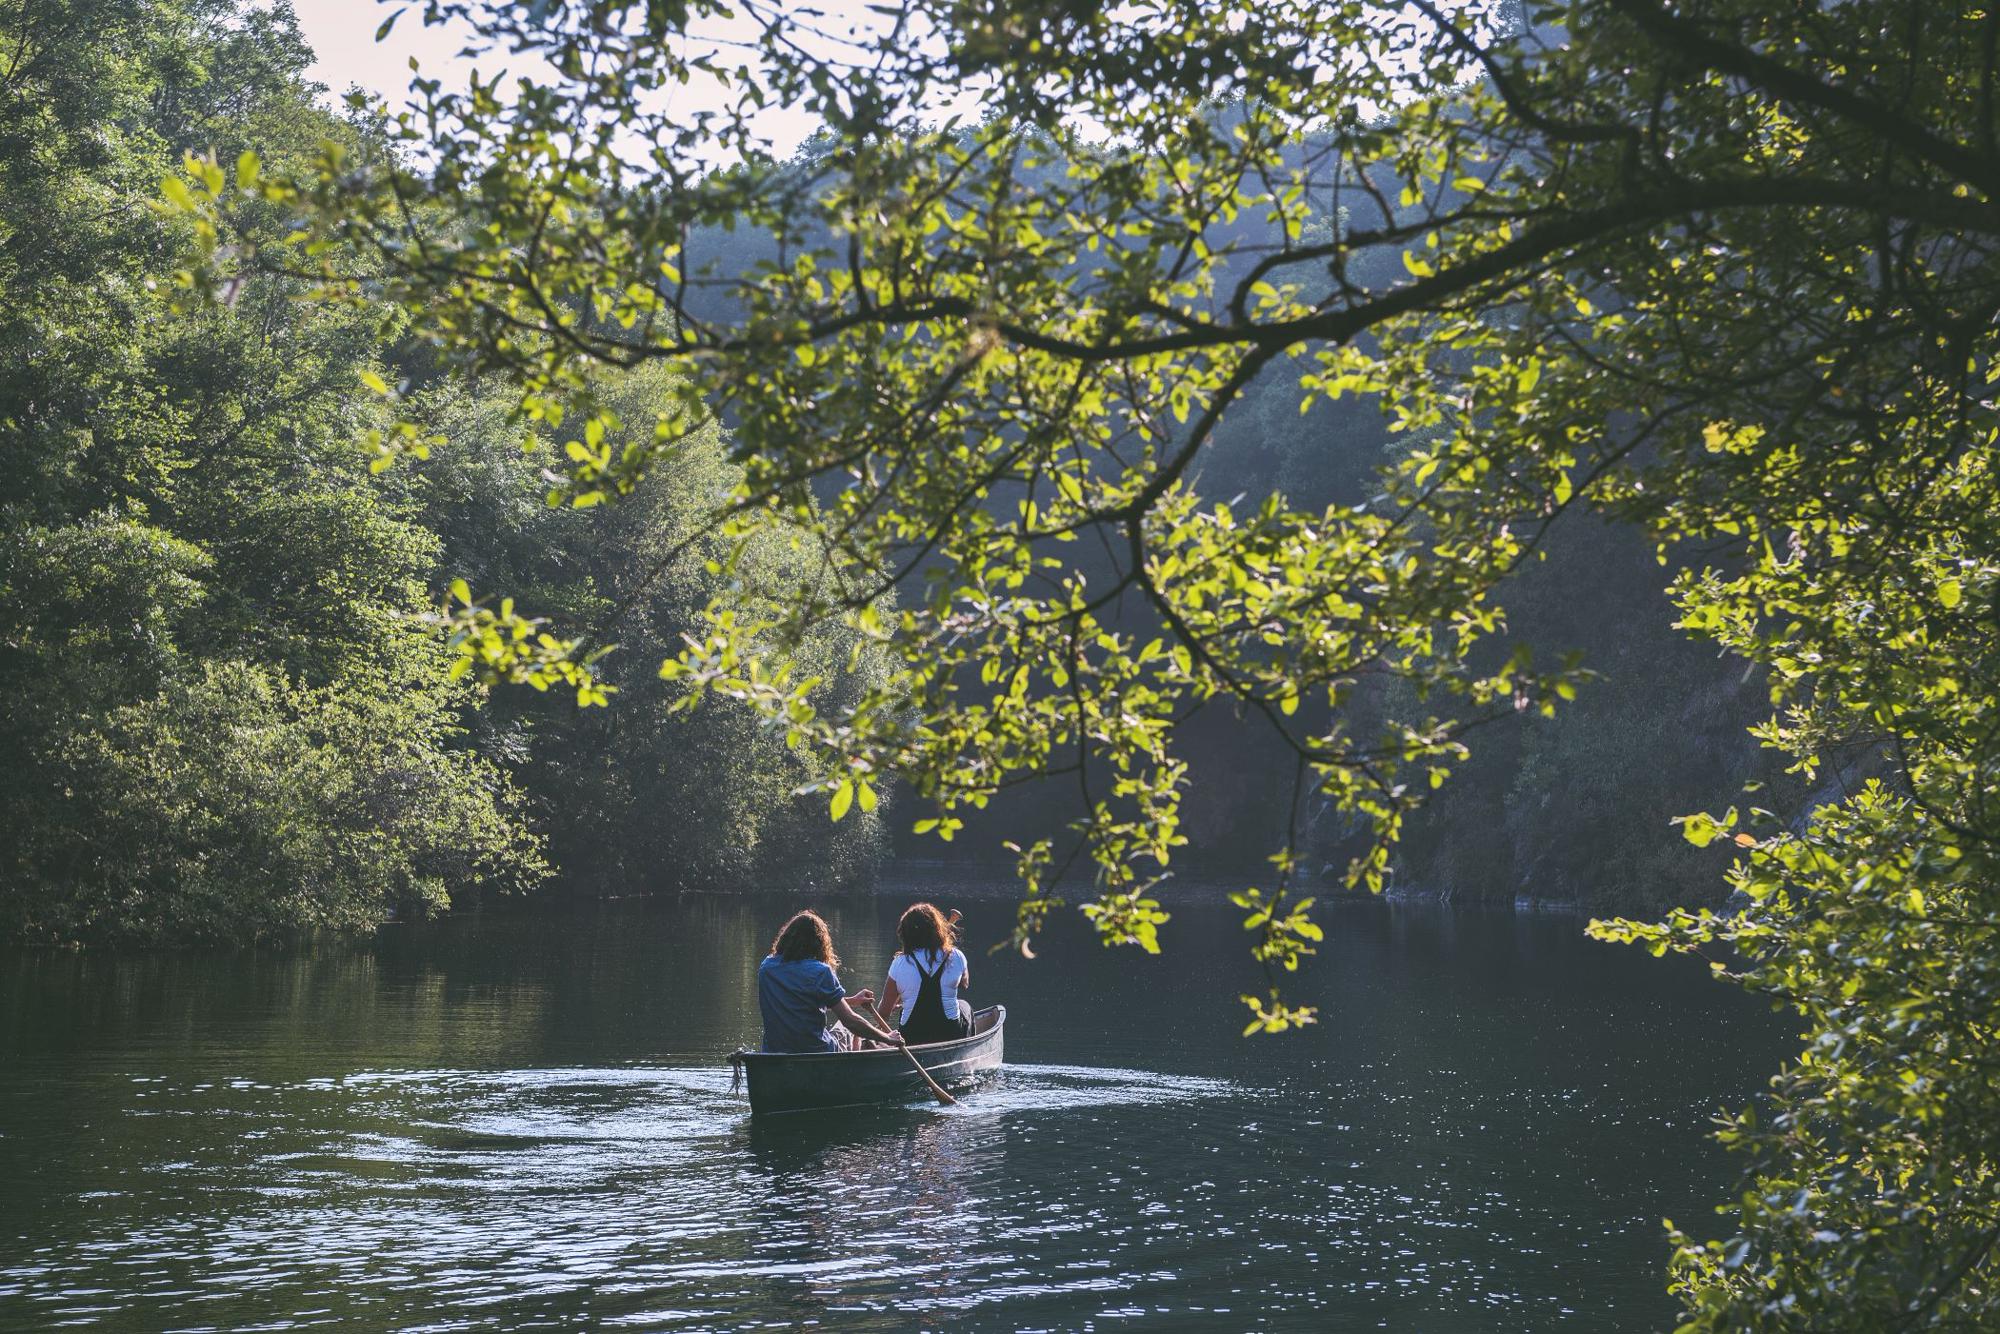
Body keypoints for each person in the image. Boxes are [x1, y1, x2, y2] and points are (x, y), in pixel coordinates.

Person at [758, 910, 905, 1054]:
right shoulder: (820, 972)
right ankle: (856, 1067)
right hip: (816, 1052)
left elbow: (800, 1002)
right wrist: (888, 1038)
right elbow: (850, 1021)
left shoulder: (767, 968)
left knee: (850, 1026)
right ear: (819, 944)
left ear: (786, 938)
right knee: (847, 1027)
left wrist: (853, 1000)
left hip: (774, 1053)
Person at [877, 902, 973, 1045]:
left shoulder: (900, 963)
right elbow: (965, 983)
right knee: (964, 1006)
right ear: (938, 929)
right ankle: (967, 1051)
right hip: (949, 1034)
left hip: (911, 1037)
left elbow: (883, 1013)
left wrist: (903, 995)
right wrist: (947, 947)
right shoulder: (956, 956)